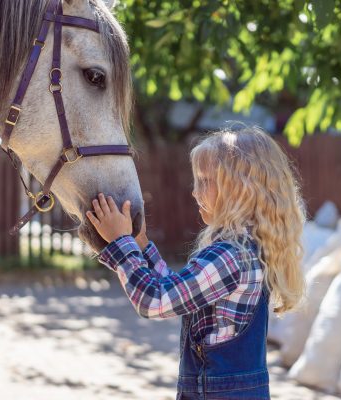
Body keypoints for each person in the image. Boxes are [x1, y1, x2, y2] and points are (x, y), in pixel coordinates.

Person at [86, 126, 307, 400]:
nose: (194, 192)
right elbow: (178, 290)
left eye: (204, 181)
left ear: (239, 189)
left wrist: (121, 243)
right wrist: (141, 247)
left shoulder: (229, 256)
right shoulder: (246, 250)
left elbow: (155, 301)